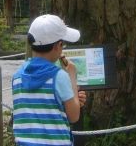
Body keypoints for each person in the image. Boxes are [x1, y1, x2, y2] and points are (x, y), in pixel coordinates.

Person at [12, 14, 87, 146]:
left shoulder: (17, 76)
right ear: (58, 46)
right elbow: (74, 116)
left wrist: (73, 99)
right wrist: (72, 74)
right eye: (62, 44)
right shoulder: (59, 77)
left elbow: (41, 107)